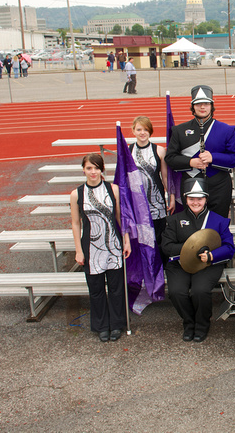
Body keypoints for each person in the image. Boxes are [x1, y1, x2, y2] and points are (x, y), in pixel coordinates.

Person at [161, 178, 234, 342]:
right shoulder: (174, 220)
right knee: (176, 292)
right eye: (192, 198)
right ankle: (189, 323)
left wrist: (211, 255)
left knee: (199, 291)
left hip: (207, 264)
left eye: (199, 199)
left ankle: (202, 325)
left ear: (206, 199)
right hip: (180, 264)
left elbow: (229, 248)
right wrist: (190, 248)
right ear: (186, 199)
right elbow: (166, 246)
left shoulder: (218, 220)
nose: (196, 202)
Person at [70, 153, 130, 342]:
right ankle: (101, 326)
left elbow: (120, 217)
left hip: (113, 245)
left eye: (96, 168)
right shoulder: (76, 194)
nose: (93, 171)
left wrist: (126, 240)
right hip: (91, 248)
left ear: (102, 169)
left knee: (116, 288)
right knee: (95, 290)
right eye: (89, 168)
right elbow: (75, 223)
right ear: (83, 170)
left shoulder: (112, 189)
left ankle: (116, 324)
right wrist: (78, 250)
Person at [166, 85, 235, 219]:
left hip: (218, 186)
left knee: (217, 226)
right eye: (198, 104)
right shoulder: (179, 130)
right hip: (190, 185)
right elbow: (170, 158)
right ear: (193, 107)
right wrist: (190, 162)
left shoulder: (226, 130)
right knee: (193, 228)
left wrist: (214, 157)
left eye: (206, 104)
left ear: (211, 106)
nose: (202, 107)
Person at [129, 116, 170, 246]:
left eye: (146, 129)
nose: (142, 132)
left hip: (156, 201)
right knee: (142, 237)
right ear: (133, 131)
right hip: (137, 200)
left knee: (159, 236)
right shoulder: (128, 151)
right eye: (139, 129)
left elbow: (165, 176)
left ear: (150, 131)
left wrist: (171, 197)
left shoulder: (159, 150)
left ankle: (161, 265)